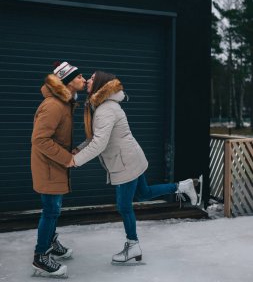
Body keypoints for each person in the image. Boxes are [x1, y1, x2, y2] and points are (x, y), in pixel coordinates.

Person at [69, 71, 200, 264]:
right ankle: (183, 186)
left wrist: (75, 160)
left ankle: (133, 245)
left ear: (99, 84)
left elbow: (99, 143)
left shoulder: (106, 109)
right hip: (131, 157)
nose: (87, 80)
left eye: (92, 78)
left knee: (124, 205)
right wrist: (78, 149)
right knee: (144, 193)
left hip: (125, 162)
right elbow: (95, 137)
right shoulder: (104, 106)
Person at [31, 61, 86, 277]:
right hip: (49, 166)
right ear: (68, 81)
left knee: (54, 209)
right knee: (51, 210)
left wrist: (68, 151)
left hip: (54, 165)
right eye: (80, 77)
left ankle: (51, 242)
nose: (84, 79)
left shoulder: (64, 103)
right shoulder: (54, 105)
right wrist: (67, 158)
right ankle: (40, 256)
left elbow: (56, 137)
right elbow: (40, 139)